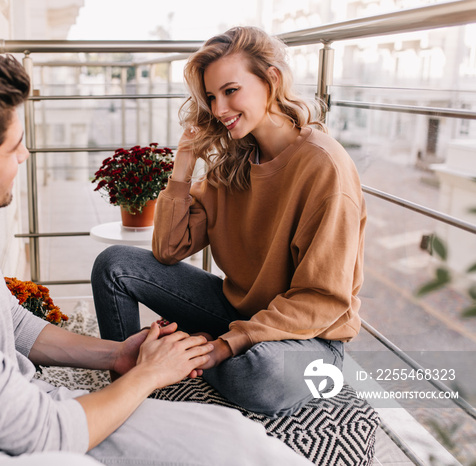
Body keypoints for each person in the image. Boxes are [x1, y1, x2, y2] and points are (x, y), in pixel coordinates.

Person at [0, 48, 314, 466]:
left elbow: (14, 325)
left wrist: (118, 356)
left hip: (29, 409)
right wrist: (149, 376)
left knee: (236, 440)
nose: (26, 154)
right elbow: (40, 435)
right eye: (12, 146)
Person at [92, 26, 366, 418]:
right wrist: (183, 164)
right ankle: (129, 388)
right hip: (239, 315)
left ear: (271, 79)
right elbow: (169, 249)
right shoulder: (234, 163)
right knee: (114, 265)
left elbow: (321, 301)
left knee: (258, 374)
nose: (219, 109)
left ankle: (191, 351)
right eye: (211, 97)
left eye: (231, 90)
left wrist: (226, 343)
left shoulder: (325, 167)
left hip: (310, 338)